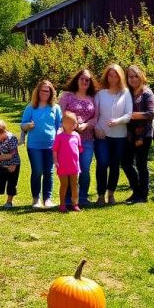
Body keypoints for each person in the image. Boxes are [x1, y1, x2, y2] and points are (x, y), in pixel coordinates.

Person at [58, 69, 98, 208]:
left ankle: (82, 198)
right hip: (68, 139)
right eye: (82, 78)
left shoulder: (93, 98)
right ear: (77, 79)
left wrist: (86, 125)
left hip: (87, 138)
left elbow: (96, 117)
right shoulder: (67, 96)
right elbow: (60, 115)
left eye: (87, 80)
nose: (85, 81)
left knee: (85, 169)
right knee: (69, 168)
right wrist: (71, 126)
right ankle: (68, 199)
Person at [93, 64, 132, 205]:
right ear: (106, 76)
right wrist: (97, 127)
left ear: (120, 76)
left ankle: (111, 194)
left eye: (115, 75)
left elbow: (128, 114)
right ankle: (101, 195)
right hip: (102, 135)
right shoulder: (100, 94)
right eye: (110, 75)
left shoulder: (125, 93)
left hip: (119, 136)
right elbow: (94, 115)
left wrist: (117, 121)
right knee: (102, 164)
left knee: (115, 165)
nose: (113, 77)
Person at [21, 80, 63, 209]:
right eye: (43, 90)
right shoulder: (31, 107)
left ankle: (47, 199)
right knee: (37, 171)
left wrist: (60, 138)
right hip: (34, 146)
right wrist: (28, 125)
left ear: (51, 93)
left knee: (48, 172)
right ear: (38, 91)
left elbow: (59, 125)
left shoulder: (55, 108)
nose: (45, 93)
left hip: (51, 145)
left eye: (48, 90)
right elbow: (23, 125)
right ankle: (36, 199)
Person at [122, 65, 154, 203]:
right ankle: (136, 191)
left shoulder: (147, 93)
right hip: (130, 134)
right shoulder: (127, 93)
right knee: (126, 163)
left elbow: (150, 114)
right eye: (130, 76)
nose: (133, 79)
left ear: (141, 76)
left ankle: (143, 194)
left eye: (136, 76)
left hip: (144, 134)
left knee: (141, 164)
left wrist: (132, 116)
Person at [53, 111, 84, 212]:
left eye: (73, 123)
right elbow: (55, 150)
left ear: (76, 124)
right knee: (64, 185)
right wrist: (56, 161)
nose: (70, 125)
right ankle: (62, 204)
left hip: (74, 166)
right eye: (67, 123)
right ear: (63, 124)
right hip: (62, 165)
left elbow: (79, 149)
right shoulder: (59, 137)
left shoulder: (77, 136)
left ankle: (75, 203)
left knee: (75, 184)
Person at [0, 119, 20, 208]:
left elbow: (12, 155)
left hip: (13, 164)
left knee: (11, 184)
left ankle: (9, 202)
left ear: (4, 131)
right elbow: (1, 152)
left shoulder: (12, 139)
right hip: (3, 164)